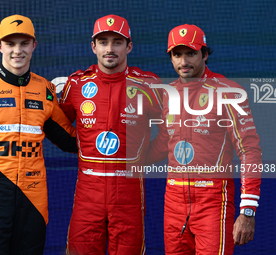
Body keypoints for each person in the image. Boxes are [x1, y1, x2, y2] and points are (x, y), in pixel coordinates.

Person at [0, 14, 77, 254]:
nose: (17, 51)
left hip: (34, 201)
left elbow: (70, 140)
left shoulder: (46, 90)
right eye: (10, 44)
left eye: (24, 43)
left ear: (34, 45)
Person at [147, 24, 262, 254]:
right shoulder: (167, 93)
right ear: (170, 58)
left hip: (213, 200)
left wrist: (248, 210)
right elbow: (164, 142)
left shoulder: (228, 92)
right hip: (173, 202)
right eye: (177, 55)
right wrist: (129, 158)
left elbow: (249, 150)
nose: (183, 61)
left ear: (205, 54)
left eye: (191, 53)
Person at [59, 14, 162, 255]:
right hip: (88, 188)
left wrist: (143, 159)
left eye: (117, 42)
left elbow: (172, 130)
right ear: (93, 46)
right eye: (103, 41)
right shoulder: (77, 84)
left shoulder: (147, 85)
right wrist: (82, 146)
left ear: (129, 47)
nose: (110, 48)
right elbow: (59, 124)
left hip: (128, 190)